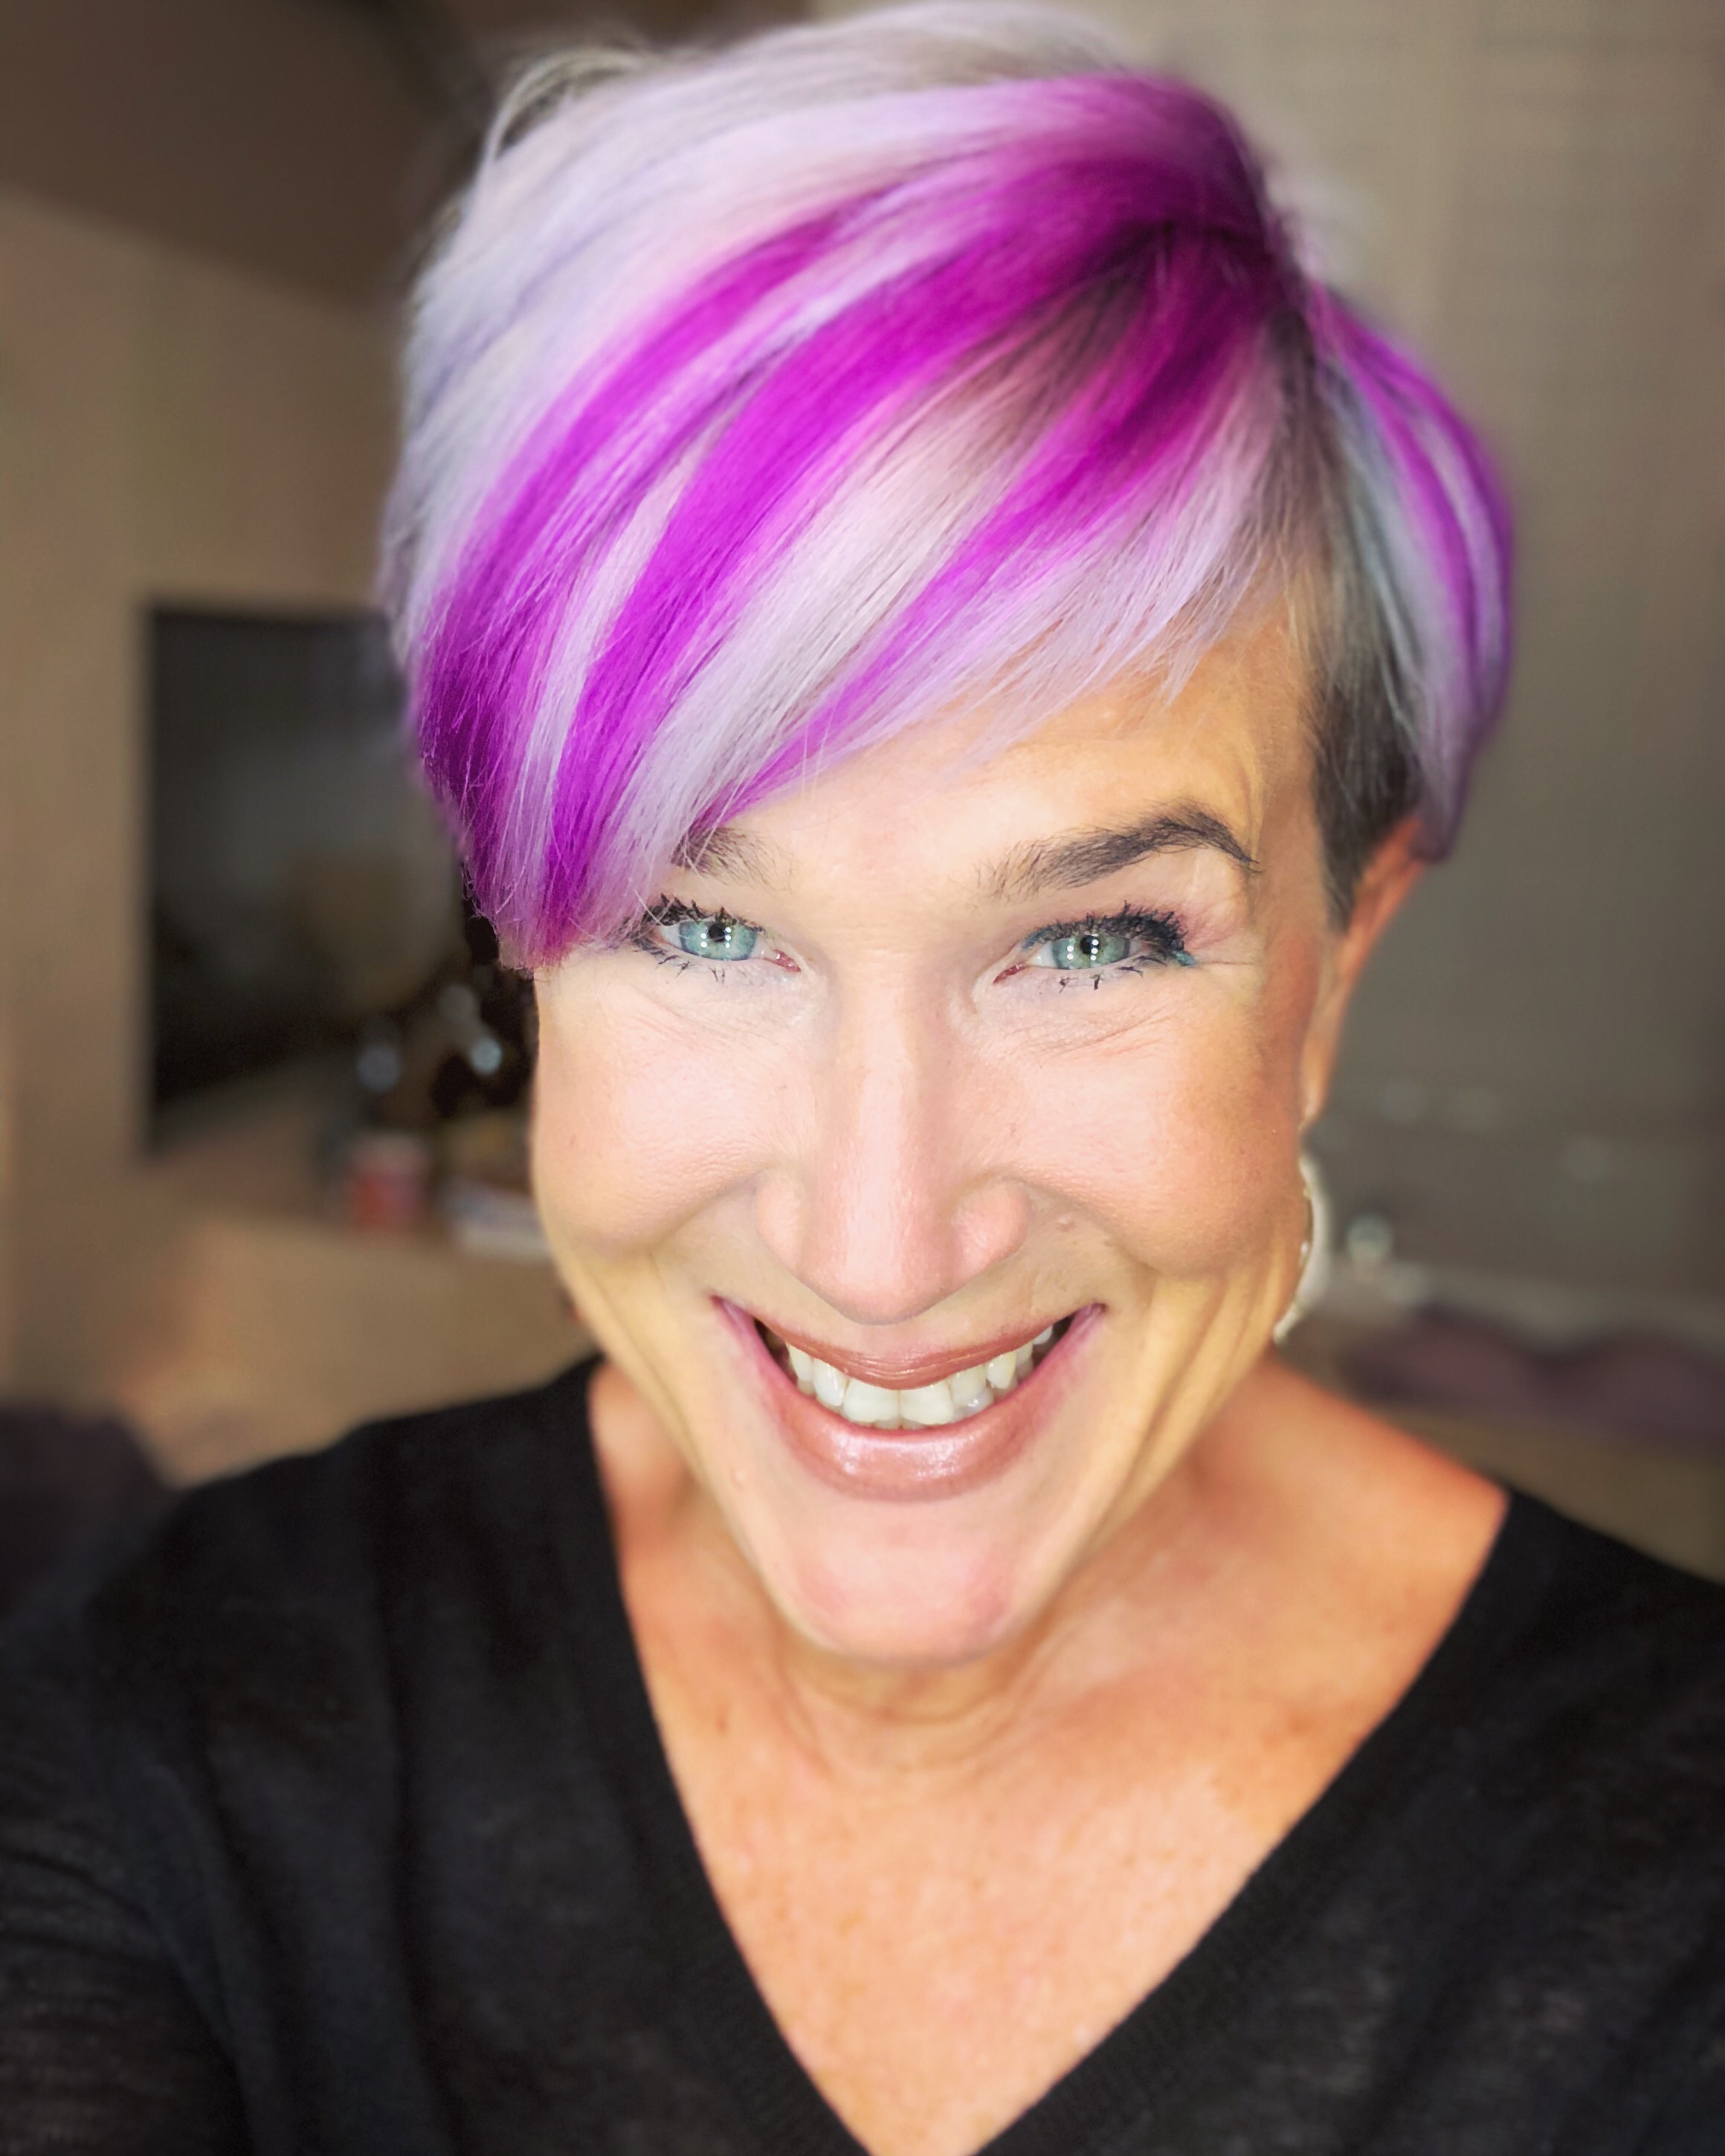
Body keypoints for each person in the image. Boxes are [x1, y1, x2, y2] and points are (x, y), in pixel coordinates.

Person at [3, 7, 1722, 2152]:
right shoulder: (170, 1724)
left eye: (1092, 940)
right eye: (705, 927)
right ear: (523, 939)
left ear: (1332, 965)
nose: (881, 1248)